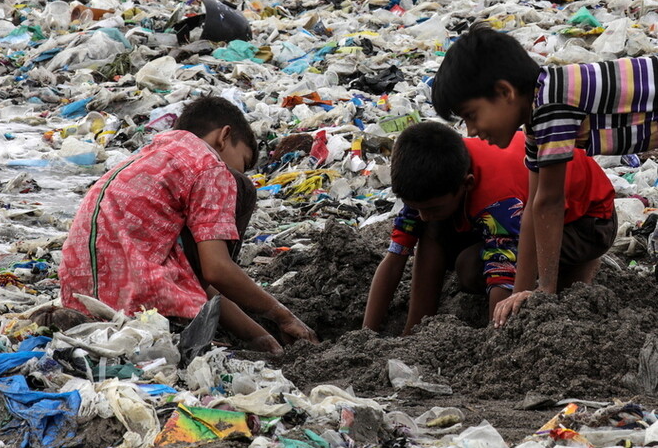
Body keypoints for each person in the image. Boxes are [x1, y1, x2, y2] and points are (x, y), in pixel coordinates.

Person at [60, 95, 317, 353]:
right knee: (244, 189)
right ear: (224, 136)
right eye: (244, 161)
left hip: (79, 302)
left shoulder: (149, 155)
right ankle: (182, 318)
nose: (241, 170)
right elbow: (215, 271)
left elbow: (192, 274)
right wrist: (284, 317)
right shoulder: (210, 166)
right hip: (140, 308)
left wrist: (257, 336)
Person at [430, 23, 641, 327]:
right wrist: (520, 295)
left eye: (472, 116)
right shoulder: (537, 120)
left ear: (505, 92)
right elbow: (534, 207)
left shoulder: (550, 105)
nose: (472, 131)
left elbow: (550, 203)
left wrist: (543, 293)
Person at [363, 121, 615, 334]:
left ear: (467, 184)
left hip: (587, 222)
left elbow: (502, 275)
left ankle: (579, 266)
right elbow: (395, 257)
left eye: (432, 209)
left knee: (472, 268)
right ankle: (414, 326)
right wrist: (367, 333)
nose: (423, 215)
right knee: (432, 230)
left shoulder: (498, 200)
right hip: (520, 208)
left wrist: (494, 336)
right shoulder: (428, 182)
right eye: (416, 208)